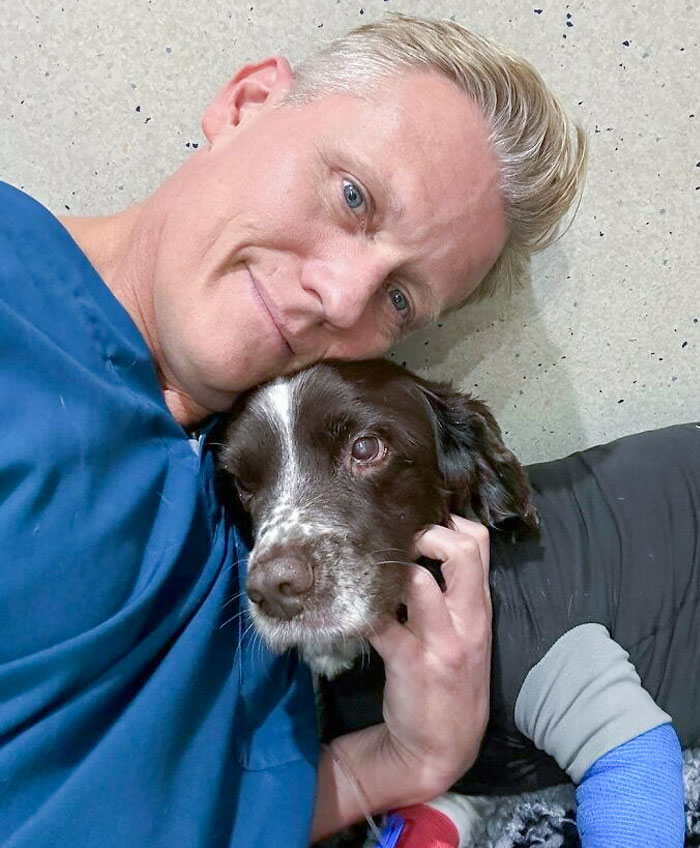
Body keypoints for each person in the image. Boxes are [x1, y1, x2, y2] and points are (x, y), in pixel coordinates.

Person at [0, 13, 586, 847]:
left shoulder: (234, 511)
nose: (343, 298)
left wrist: (408, 758)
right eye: (353, 195)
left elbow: (196, 810)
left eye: (399, 300)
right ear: (247, 102)